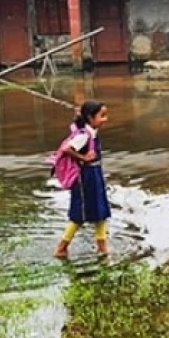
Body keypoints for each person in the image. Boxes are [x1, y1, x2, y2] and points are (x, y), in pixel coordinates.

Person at [55, 100, 111, 259]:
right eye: (102, 116)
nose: (105, 119)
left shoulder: (90, 131)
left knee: (101, 212)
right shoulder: (83, 136)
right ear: (90, 118)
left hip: (95, 176)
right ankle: (61, 248)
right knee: (80, 215)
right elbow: (66, 149)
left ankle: (102, 248)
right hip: (84, 179)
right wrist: (84, 157)